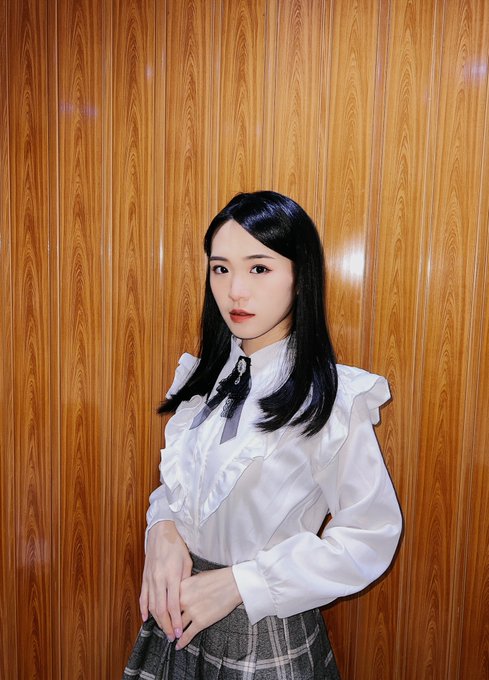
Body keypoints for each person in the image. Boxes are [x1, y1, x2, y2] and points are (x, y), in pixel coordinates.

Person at [123, 191, 402, 679]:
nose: (235, 291)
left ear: (300, 275)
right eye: (221, 268)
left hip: (261, 635)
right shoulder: (204, 380)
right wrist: (162, 529)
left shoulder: (331, 399)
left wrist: (243, 583)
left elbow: (370, 534)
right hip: (175, 625)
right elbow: (183, 487)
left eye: (259, 268)